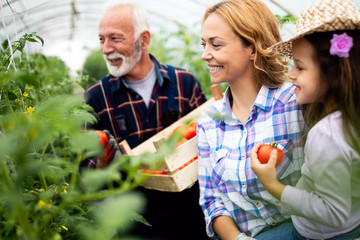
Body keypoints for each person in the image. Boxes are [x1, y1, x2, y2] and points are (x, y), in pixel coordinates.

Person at [83, 0, 208, 239]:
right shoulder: (95, 99)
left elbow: (209, 144)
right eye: (101, 39)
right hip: (136, 221)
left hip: (191, 212)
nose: (106, 48)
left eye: (115, 38)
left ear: (144, 39)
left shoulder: (184, 83)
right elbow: (87, 179)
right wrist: (102, 159)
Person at [250, 0, 360, 239]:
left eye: (299, 67)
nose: (291, 74)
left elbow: (333, 212)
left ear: (333, 72)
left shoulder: (327, 134)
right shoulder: (351, 117)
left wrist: (273, 185)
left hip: (322, 232)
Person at [197, 0, 305, 239]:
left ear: (252, 48)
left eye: (216, 44)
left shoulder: (295, 102)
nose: (205, 55)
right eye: (204, 44)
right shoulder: (209, 121)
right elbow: (212, 201)